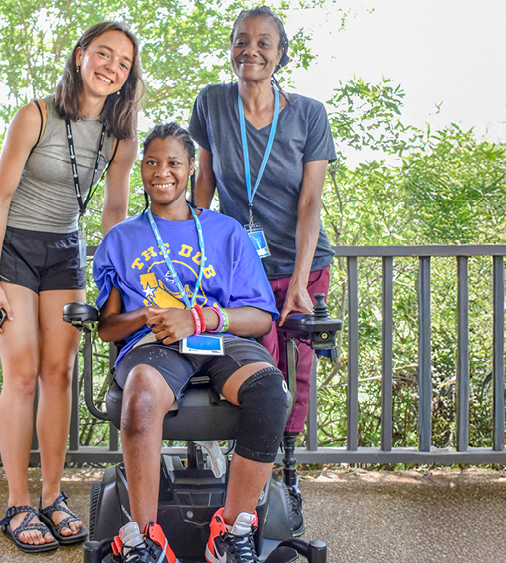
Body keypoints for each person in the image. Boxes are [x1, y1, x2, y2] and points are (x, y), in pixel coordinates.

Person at [93, 122, 291, 563]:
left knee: (268, 390)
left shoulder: (226, 232)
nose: (161, 172)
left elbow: (259, 318)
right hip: (155, 343)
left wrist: (199, 316)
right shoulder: (121, 238)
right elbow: (107, 327)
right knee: (141, 394)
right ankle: (144, 541)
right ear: (141, 169)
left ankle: (230, 533)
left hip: (218, 338)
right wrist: (144, 315)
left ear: (190, 168)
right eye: (151, 162)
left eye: (173, 163)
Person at [0, 21, 142, 554]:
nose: (110, 66)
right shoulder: (36, 115)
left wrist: (117, 283)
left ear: (125, 78)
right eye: (102, 54)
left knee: (60, 372)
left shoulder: (120, 138)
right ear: (79, 57)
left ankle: (52, 498)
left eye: (122, 62)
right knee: (22, 374)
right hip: (15, 253)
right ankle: (18, 503)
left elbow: (113, 213)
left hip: (66, 253)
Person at [188, 5, 336, 537]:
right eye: (241, 40)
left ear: (280, 55)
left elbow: (310, 202)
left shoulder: (309, 114)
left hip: (300, 263)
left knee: (295, 368)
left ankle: (286, 474)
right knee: (248, 364)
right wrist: (194, 259)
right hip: (237, 268)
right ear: (231, 47)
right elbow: (203, 183)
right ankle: (247, 469)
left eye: (264, 43)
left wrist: (298, 281)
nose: (251, 50)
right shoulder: (211, 102)